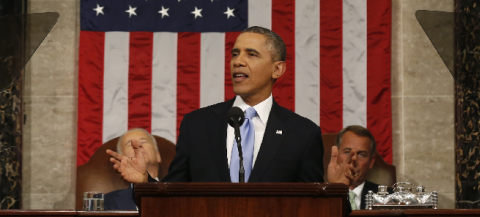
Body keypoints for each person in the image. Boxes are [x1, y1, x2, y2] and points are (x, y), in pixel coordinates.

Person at [107, 26, 358, 186]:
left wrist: (336, 191)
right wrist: (145, 182)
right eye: (235, 54)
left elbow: (312, 209)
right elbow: (174, 194)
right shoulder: (197, 124)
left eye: (251, 54)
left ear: (277, 69)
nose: (238, 61)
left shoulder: (303, 134)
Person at [334, 125, 393, 210]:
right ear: (336, 156)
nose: (353, 159)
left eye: (361, 154)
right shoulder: (319, 198)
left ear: (371, 162)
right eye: (347, 152)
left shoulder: (389, 200)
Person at [104, 128, 161, 210]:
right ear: (122, 160)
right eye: (130, 144)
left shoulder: (178, 195)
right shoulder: (107, 202)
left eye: (144, 142)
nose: (138, 145)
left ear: (158, 155)